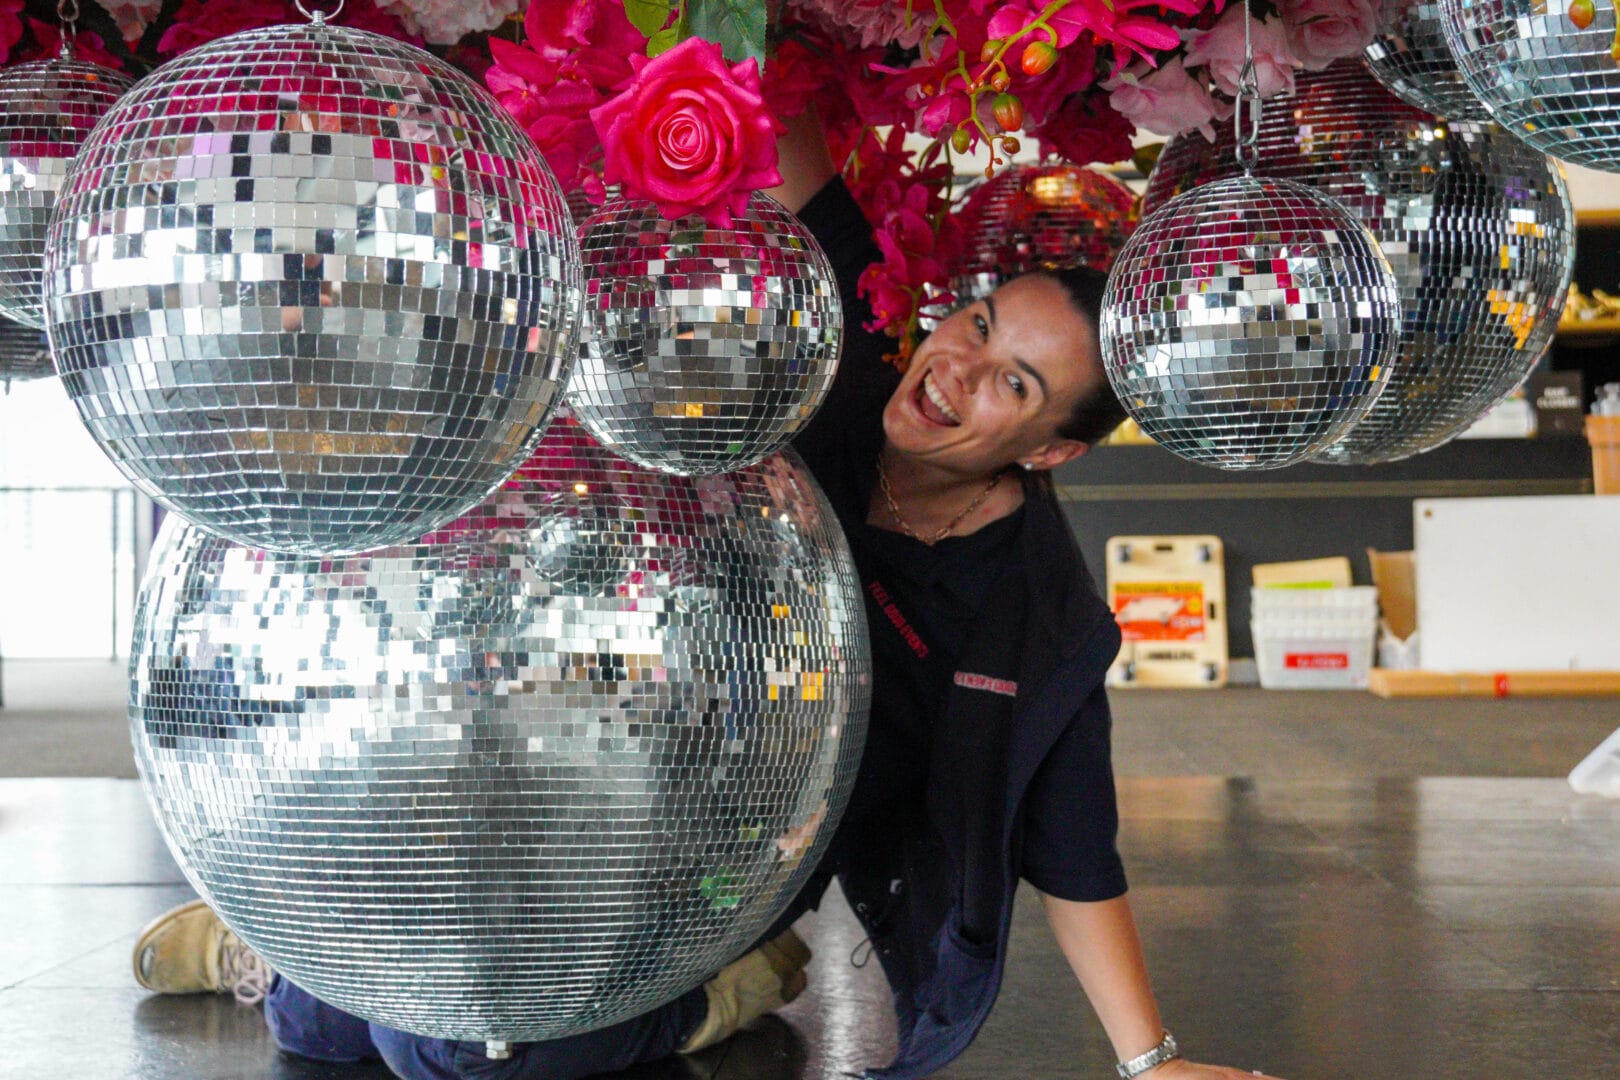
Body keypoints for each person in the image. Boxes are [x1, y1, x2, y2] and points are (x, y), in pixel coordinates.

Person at [133, 103, 1283, 1080]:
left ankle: (706, 994)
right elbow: (781, 125)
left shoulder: (1036, 618)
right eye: (978, 325)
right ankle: (291, 964)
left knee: (437, 1051)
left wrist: (1150, 1060)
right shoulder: (826, 355)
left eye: (1015, 384)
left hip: (727, 876)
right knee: (371, 1020)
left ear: (1051, 451)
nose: (960, 370)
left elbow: (1076, 853)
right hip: (585, 799)